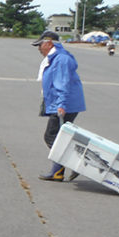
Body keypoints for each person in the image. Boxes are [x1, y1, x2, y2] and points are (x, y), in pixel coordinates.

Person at [33, 30, 86, 181]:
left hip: (64, 104)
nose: (39, 49)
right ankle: (57, 172)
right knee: (58, 137)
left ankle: (76, 162)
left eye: (40, 45)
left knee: (51, 136)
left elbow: (63, 83)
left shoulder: (61, 59)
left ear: (49, 44)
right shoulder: (56, 57)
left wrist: (61, 104)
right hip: (62, 103)